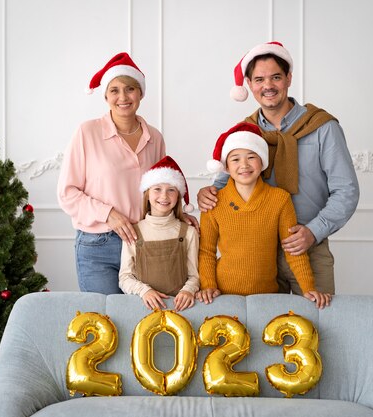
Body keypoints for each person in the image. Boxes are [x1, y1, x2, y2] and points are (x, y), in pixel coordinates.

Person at [198, 41, 359, 296]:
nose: (268, 86)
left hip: (307, 246)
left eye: (275, 77)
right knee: (265, 332)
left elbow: (346, 191)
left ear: (288, 79)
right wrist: (205, 193)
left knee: (317, 326)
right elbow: (224, 180)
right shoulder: (245, 132)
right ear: (249, 85)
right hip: (258, 254)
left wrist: (313, 232)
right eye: (259, 79)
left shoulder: (322, 127)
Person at [58, 52, 197, 295]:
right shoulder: (87, 132)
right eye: (114, 90)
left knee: (140, 325)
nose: (123, 97)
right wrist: (109, 214)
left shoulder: (154, 137)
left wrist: (179, 213)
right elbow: (67, 194)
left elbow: (160, 188)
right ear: (105, 95)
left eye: (130, 89)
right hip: (97, 245)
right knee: (104, 323)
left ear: (141, 93)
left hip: (145, 242)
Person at [197, 122, 331, 309]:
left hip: (267, 297)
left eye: (251, 157)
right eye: (235, 159)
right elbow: (206, 251)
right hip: (222, 296)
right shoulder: (213, 202)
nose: (244, 165)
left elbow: (292, 249)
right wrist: (208, 285)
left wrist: (308, 288)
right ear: (226, 166)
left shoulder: (280, 199)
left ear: (262, 162)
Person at [118, 156, 199, 311]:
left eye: (171, 190)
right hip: (144, 308)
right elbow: (125, 277)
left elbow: (194, 275)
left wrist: (188, 290)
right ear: (147, 193)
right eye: (157, 189)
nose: (164, 196)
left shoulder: (188, 232)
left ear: (178, 196)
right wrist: (144, 291)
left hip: (181, 309)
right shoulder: (134, 232)